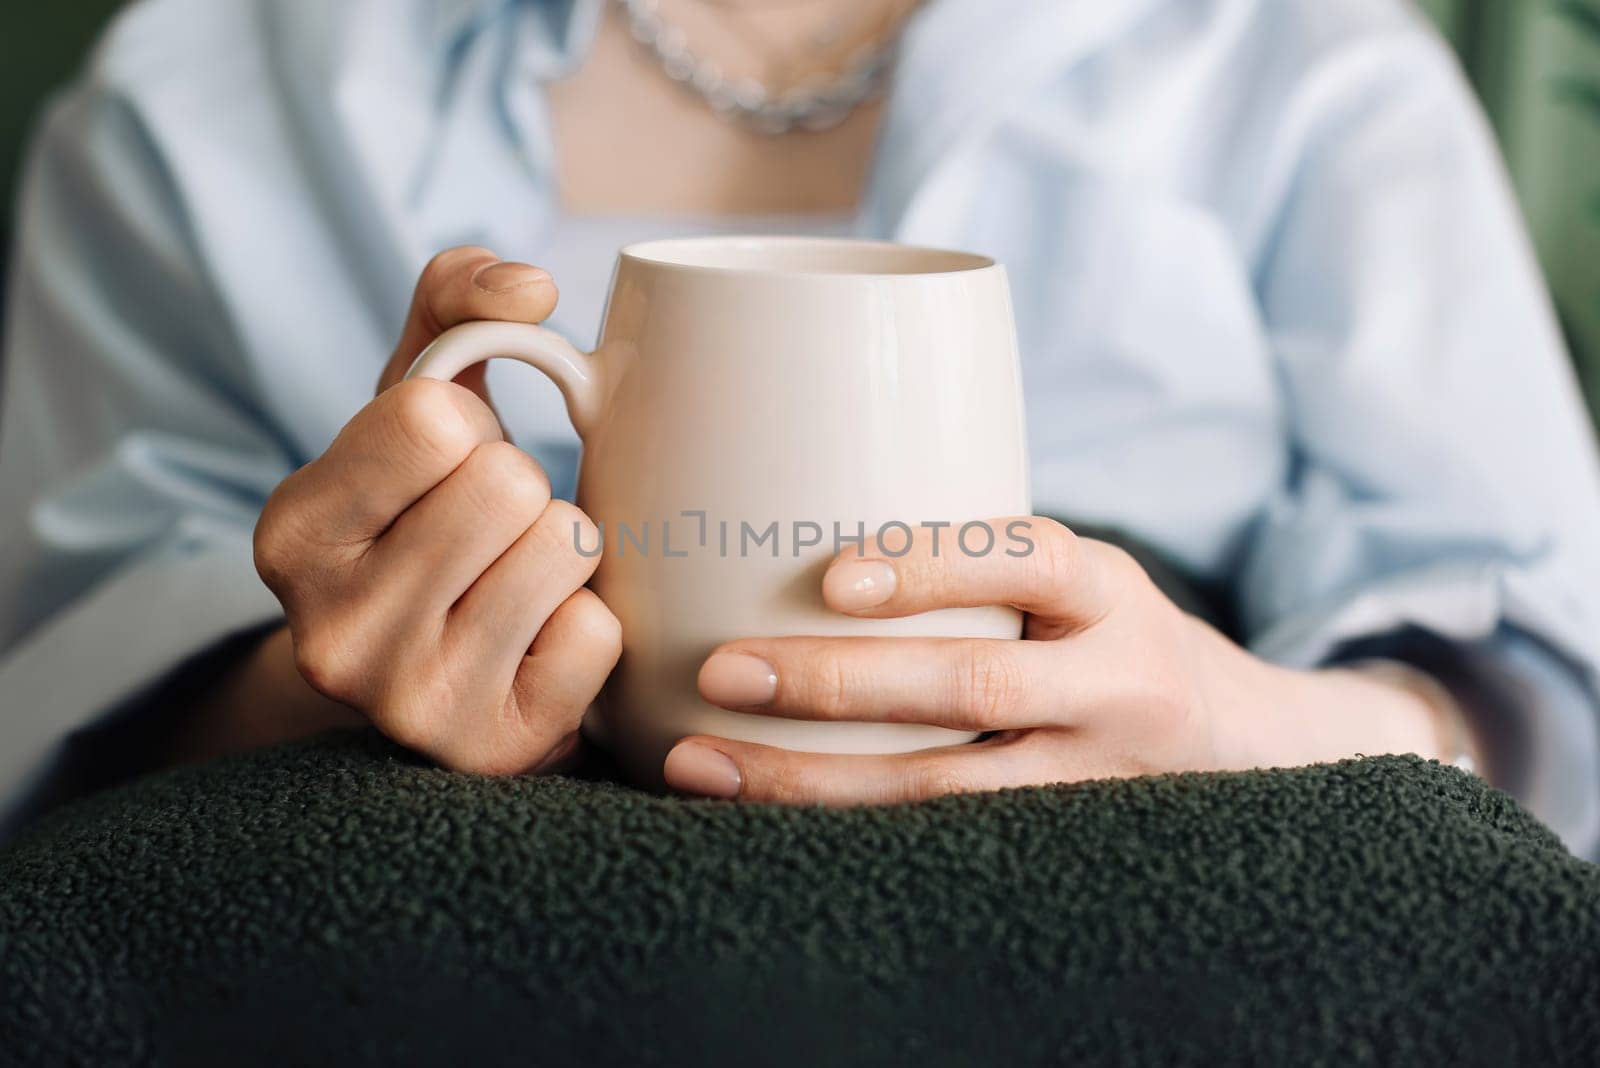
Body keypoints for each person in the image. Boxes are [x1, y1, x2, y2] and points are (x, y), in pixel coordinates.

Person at [3, 0, 1599, 854]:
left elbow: (1544, 688)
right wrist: (315, 675)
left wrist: (1249, 722)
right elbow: (56, 662)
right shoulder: (205, 85)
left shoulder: (1307, 63)